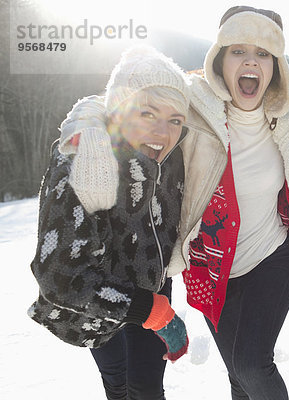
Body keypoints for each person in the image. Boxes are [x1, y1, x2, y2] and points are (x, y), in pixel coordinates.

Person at [58, 6, 289, 400]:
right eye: (238, 50)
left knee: (252, 363)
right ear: (218, 58)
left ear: (275, 66)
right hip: (211, 264)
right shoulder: (193, 101)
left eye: (264, 52)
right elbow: (121, 96)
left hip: (271, 255)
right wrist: (86, 127)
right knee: (237, 371)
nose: (251, 60)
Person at [28, 45, 191, 400]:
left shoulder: (173, 156)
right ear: (118, 108)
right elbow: (59, 275)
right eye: (148, 113)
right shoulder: (81, 158)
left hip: (152, 284)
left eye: (175, 120)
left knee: (147, 389)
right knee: (117, 382)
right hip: (99, 298)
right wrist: (150, 312)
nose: (163, 133)